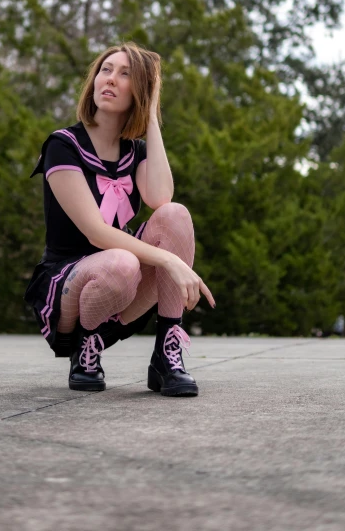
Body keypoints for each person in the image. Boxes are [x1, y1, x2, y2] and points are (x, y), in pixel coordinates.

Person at [25, 42, 215, 397]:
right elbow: (96, 233)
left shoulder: (135, 153)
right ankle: (84, 349)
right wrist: (170, 262)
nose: (109, 79)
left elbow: (161, 200)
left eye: (125, 74)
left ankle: (166, 355)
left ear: (138, 91)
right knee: (121, 262)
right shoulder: (62, 145)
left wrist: (152, 113)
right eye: (105, 69)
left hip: (123, 288)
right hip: (70, 284)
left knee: (175, 215)